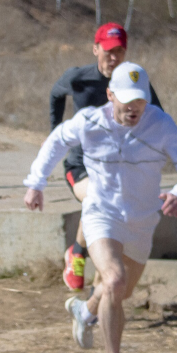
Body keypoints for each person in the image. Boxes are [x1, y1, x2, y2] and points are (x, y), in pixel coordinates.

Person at [24, 63, 177, 353]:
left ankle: (85, 310)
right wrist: (36, 183)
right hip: (101, 214)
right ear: (110, 95)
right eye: (125, 101)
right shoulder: (90, 121)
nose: (133, 108)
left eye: (140, 101)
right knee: (114, 280)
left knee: (119, 292)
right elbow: (55, 142)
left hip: (142, 220)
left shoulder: (160, 124)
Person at [48, 22, 163, 292]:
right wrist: (56, 132)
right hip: (80, 165)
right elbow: (55, 94)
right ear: (95, 49)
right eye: (108, 51)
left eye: (120, 51)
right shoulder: (79, 77)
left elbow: (157, 115)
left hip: (117, 167)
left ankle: (100, 288)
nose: (114, 57)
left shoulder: (134, 80)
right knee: (97, 195)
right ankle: (76, 254)